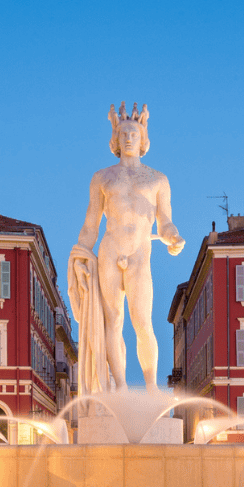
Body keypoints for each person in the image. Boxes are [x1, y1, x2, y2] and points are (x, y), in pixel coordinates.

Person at [68, 102, 184, 394]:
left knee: (143, 321)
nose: (129, 138)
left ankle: (150, 385)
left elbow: (165, 222)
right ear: (115, 140)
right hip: (109, 251)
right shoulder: (102, 177)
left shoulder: (158, 179)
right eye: (123, 134)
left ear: (144, 139)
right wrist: (81, 254)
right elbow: (91, 224)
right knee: (113, 320)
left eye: (134, 133)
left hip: (139, 254)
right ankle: (119, 386)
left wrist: (173, 237)